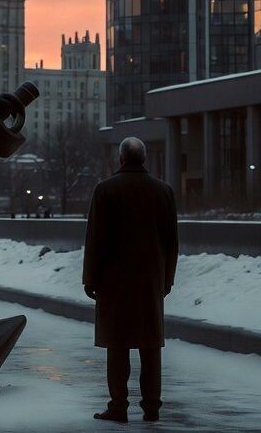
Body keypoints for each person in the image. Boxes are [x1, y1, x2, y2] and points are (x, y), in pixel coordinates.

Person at [83, 136, 178, 423]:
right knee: (150, 345)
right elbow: (171, 242)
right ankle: (151, 407)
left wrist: (90, 278)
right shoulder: (163, 192)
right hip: (150, 281)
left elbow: (95, 239)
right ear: (144, 159)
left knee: (118, 344)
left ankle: (118, 406)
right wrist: (167, 280)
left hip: (114, 283)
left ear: (121, 159)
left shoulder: (105, 190)